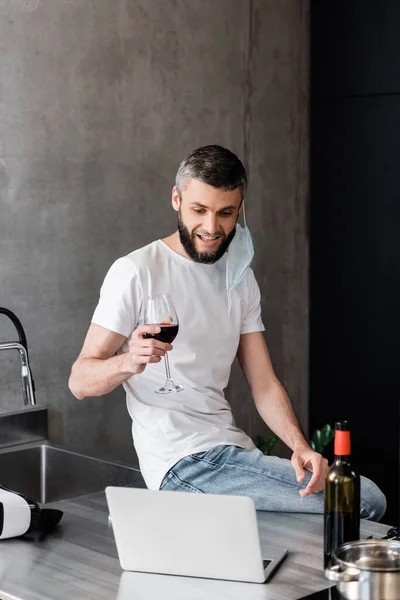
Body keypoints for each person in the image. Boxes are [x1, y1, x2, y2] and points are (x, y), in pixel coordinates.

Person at [69, 145, 386, 521]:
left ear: (240, 209)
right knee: (363, 500)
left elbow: (264, 383)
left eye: (225, 213)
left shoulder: (239, 278)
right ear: (176, 199)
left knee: (326, 518)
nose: (211, 228)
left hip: (230, 452)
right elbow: (80, 381)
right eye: (199, 210)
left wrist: (299, 445)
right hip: (183, 463)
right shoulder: (136, 271)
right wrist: (128, 361)